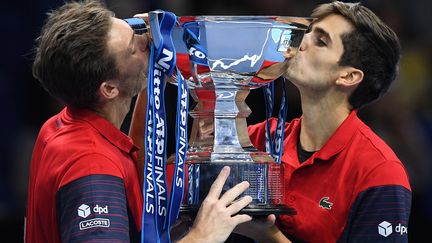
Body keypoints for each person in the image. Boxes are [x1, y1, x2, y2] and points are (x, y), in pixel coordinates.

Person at [25, 1, 252, 242]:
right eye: (134, 48)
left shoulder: (62, 125)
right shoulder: (93, 166)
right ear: (110, 88)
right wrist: (201, 236)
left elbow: (137, 155)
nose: (146, 41)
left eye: (133, 29)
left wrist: (157, 69)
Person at [233, 1, 412, 242]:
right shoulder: (259, 138)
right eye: (308, 32)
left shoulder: (379, 171)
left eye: (320, 41)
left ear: (348, 76)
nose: (300, 42)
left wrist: (269, 236)